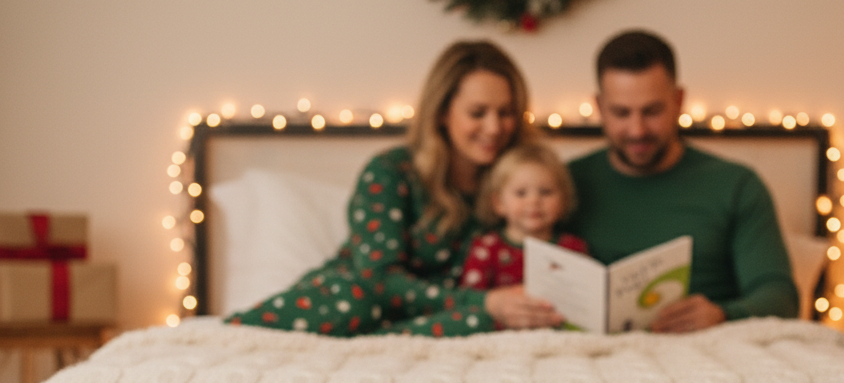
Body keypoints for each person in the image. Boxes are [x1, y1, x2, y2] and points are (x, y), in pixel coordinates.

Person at [226, 40, 561, 337]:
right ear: (442, 112)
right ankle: (237, 333)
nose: (494, 127)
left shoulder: (521, 185)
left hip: (447, 320)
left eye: (506, 113)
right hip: (360, 301)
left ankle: (383, 341)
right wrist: (485, 302)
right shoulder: (390, 170)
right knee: (353, 299)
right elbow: (378, 278)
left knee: (486, 322)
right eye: (478, 112)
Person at [566, 30, 799, 332]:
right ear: (599, 107)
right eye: (621, 113)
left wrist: (722, 315)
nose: (637, 130)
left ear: (678, 100)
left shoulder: (736, 185)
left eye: (652, 111)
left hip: (711, 350)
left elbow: (780, 298)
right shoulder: (560, 186)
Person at [460, 142, 588, 292]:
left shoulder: (573, 249)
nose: (534, 201)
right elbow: (472, 300)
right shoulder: (486, 250)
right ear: (499, 203)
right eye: (521, 193)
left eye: (545, 192)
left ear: (564, 199)